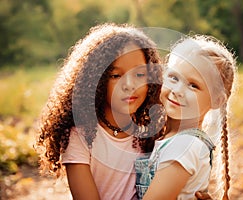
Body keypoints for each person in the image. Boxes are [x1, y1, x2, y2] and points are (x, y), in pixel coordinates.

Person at [36, 23, 165, 200]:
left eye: (139, 74)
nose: (129, 85)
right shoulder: (80, 137)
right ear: (96, 81)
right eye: (115, 76)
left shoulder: (152, 132)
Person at [135, 35, 237, 200]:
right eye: (174, 78)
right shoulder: (173, 138)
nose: (178, 90)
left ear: (216, 100)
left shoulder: (184, 146)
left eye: (193, 85)